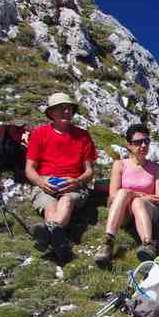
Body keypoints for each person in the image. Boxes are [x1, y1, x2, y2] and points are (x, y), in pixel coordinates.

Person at [25, 92, 97, 263]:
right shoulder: (39, 133)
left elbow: (89, 171)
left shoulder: (83, 136)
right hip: (46, 181)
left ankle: (49, 237)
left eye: (69, 108)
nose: (66, 112)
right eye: (61, 109)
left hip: (74, 183)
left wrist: (77, 182)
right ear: (51, 113)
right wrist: (41, 183)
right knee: (50, 206)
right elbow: (30, 169)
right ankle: (59, 239)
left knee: (66, 201)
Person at [94, 124, 159, 266]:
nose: (143, 145)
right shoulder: (120, 165)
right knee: (123, 193)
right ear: (129, 146)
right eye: (138, 142)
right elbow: (113, 196)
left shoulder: (156, 168)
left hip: (148, 209)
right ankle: (108, 242)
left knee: (136, 202)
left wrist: (136, 197)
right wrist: (136, 194)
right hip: (124, 211)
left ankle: (148, 244)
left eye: (146, 141)